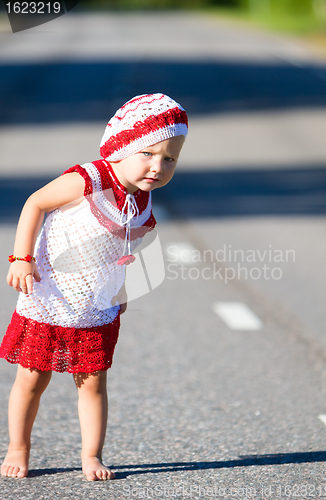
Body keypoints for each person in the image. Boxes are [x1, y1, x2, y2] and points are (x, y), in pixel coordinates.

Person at [0, 93, 188, 481]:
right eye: (148, 153)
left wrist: (119, 295)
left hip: (94, 305)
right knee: (33, 378)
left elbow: (127, 252)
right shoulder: (90, 178)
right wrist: (22, 258)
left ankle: (91, 456)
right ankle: (18, 447)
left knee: (93, 384)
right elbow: (35, 203)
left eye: (169, 158)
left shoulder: (142, 202)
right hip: (48, 297)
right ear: (122, 147)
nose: (158, 165)